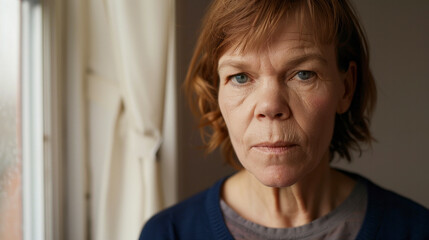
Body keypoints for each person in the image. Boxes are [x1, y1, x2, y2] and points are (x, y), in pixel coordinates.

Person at [140, 0, 429, 239]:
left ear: (346, 88)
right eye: (240, 77)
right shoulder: (168, 233)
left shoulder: (414, 230)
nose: (270, 106)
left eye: (303, 74)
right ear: (217, 91)